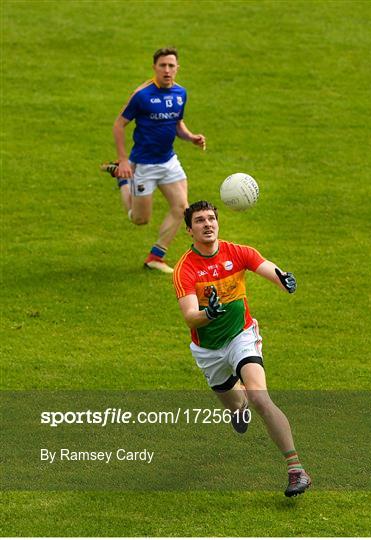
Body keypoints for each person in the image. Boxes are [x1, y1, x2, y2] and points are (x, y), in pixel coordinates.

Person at [173, 200, 311, 497]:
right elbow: (189, 317)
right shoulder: (185, 269)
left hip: (241, 336)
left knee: (261, 398)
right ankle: (240, 408)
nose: (207, 224)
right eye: (199, 220)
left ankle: (296, 469)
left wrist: (283, 279)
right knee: (237, 403)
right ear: (189, 230)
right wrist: (208, 313)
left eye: (211, 218)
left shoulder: (237, 252)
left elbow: (264, 266)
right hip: (209, 351)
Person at [102, 47, 206, 273]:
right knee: (140, 219)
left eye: (171, 66)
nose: (167, 70)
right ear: (154, 68)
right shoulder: (142, 95)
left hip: (168, 162)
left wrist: (190, 137)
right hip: (144, 165)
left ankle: (156, 257)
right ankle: (122, 180)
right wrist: (122, 160)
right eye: (162, 66)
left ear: (178, 68)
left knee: (182, 208)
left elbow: (177, 124)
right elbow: (119, 125)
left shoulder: (180, 93)